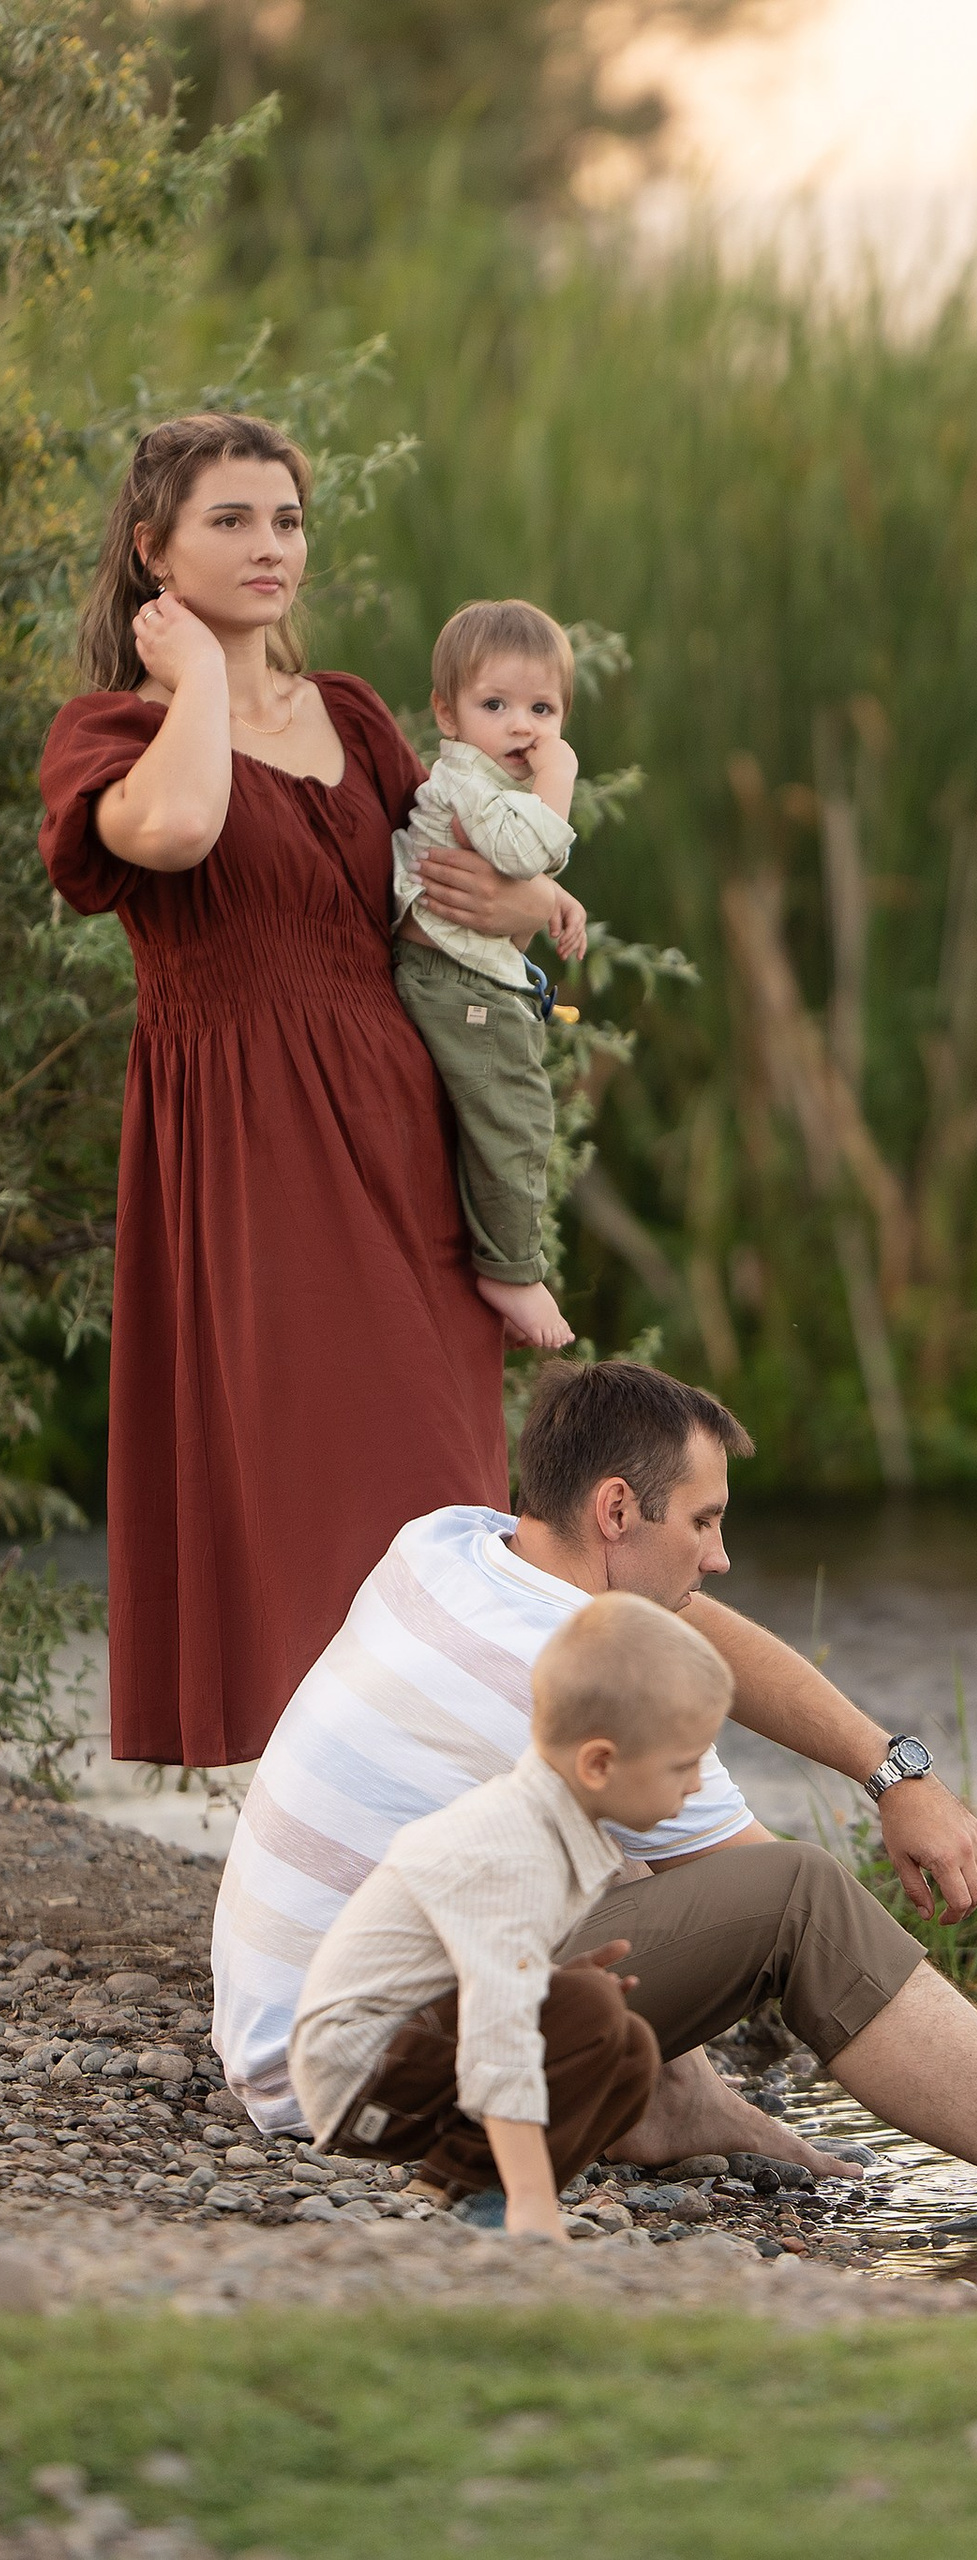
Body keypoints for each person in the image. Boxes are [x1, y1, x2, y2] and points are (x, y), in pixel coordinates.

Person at [215, 1359, 977, 2204]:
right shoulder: (574, 1677)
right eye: (702, 1521)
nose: (719, 1555)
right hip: (364, 2092)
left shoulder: (451, 1545)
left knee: (602, 1858)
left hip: (293, 2036)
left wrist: (889, 1768)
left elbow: (690, 1625)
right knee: (796, 1896)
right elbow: (788, 1926)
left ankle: (675, 2104)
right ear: (615, 1511)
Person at [35, 413, 583, 1767]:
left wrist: (528, 899)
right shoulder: (111, 731)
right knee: (324, 1494)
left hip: (407, 1140)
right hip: (252, 1156)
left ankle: (459, 1829)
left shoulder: (348, 713)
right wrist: (205, 682)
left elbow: (440, 891)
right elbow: (176, 829)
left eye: (287, 520)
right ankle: (343, 1842)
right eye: (232, 520)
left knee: (449, 1499)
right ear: (153, 547)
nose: (271, 546)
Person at [288, 1595, 719, 2238]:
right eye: (684, 1766)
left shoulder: (550, 1825)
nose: (696, 1787)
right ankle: (504, 2206)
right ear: (598, 1764)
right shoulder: (510, 1851)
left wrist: (557, 1981)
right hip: (361, 2077)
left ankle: (457, 2188)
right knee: (590, 2013)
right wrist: (536, 2203)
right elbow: (499, 2032)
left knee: (630, 2051)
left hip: (413, 2052)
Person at [389, 598, 588, 1355]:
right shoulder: (466, 779)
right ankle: (510, 1269)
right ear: (448, 712)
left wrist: (553, 901)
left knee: (511, 1114)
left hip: (466, 975)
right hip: (455, 981)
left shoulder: (489, 785)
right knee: (514, 1115)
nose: (522, 727)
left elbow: (521, 866)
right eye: (495, 704)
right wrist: (560, 773)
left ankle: (503, 1257)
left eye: (543, 709)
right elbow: (515, 850)